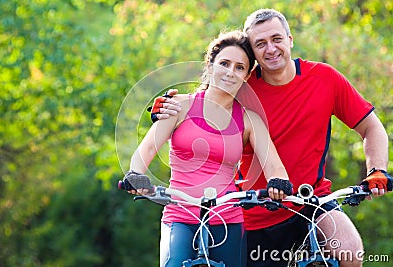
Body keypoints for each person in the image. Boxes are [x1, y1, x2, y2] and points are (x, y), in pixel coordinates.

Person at [150, 9, 392, 267]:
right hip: (253, 209)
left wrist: (376, 170)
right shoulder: (242, 88)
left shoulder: (324, 79)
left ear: (290, 39)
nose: (271, 49)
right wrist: (170, 107)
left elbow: (372, 128)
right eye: (260, 44)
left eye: (277, 39)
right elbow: (204, 105)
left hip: (311, 200)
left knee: (350, 252)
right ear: (252, 54)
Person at [121, 30, 291, 267]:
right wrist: (136, 175)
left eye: (240, 67)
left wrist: (278, 182)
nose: (230, 72)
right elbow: (147, 149)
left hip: (228, 218)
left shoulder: (250, 120)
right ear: (210, 66)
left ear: (246, 76)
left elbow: (275, 166)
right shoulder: (179, 105)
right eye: (224, 63)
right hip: (180, 216)